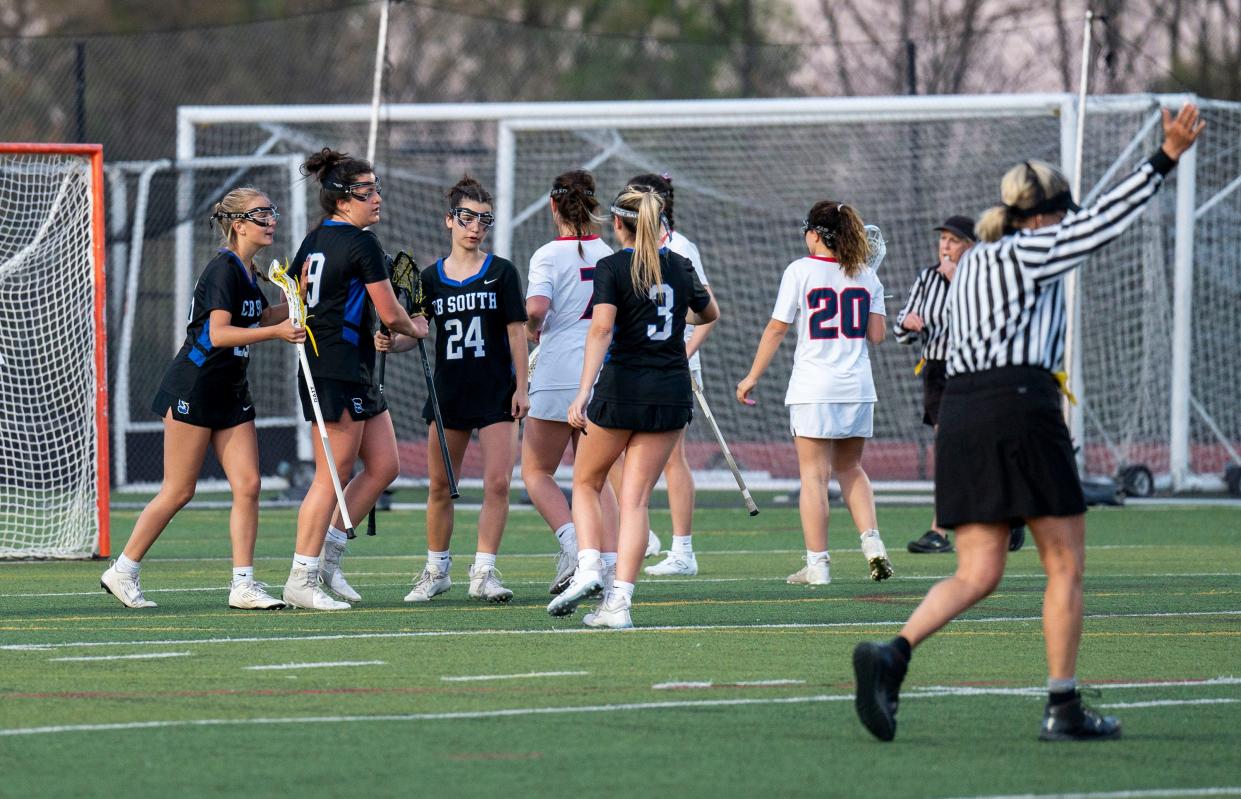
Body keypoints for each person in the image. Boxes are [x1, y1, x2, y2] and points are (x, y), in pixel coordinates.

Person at [851, 103, 1205, 743]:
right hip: (1020, 405)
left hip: (962, 413)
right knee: (1064, 565)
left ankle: (892, 654)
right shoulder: (1032, 248)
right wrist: (1166, 157)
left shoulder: (973, 263)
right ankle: (1062, 707)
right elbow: (1102, 225)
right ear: (1043, 215)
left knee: (978, 572)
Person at [100, 187, 303, 610]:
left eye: (272, 212)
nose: (271, 220)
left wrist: (292, 305)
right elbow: (218, 334)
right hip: (194, 387)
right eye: (260, 214)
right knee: (179, 490)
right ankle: (123, 569)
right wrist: (276, 332)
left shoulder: (249, 272)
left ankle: (243, 585)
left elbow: (258, 317)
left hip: (231, 392)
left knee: (248, 485)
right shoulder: (223, 270)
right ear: (238, 223)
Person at [549, 185, 718, 627]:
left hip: (622, 389)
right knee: (636, 499)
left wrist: (582, 392)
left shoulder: (612, 266)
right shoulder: (680, 266)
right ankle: (619, 604)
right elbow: (709, 312)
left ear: (618, 224)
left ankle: (588, 567)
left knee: (586, 481)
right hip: (670, 392)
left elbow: (601, 330)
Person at [282, 148, 422, 610]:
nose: (377, 198)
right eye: (367, 191)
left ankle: (328, 559)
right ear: (342, 199)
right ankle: (301, 577)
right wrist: (416, 325)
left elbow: (305, 297)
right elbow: (389, 312)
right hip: (335, 367)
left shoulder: (315, 237)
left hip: (351, 367)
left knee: (384, 466)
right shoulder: (361, 243)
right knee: (333, 475)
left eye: (377, 188)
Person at [380, 176, 529, 604]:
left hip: (497, 394)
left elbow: (517, 334)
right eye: (466, 217)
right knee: (439, 485)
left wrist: (523, 387)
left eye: (484, 219)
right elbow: (417, 332)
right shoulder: (430, 278)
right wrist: (395, 338)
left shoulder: (501, 273)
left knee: (498, 483)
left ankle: (483, 572)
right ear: (450, 221)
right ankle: (436, 570)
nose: (475, 227)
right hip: (448, 394)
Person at [736, 201, 894, 586]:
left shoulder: (800, 270)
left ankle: (818, 565)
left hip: (813, 388)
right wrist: (871, 289)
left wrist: (751, 376)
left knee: (814, 477)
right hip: (857, 388)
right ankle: (872, 544)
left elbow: (777, 329)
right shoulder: (867, 276)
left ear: (816, 234)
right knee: (851, 469)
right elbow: (877, 336)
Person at [521, 170, 620, 595]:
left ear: (553, 205)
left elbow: (538, 308)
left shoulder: (547, 254)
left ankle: (575, 545)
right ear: (594, 206)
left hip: (559, 372)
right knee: (596, 479)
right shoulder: (609, 252)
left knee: (536, 471)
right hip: (601, 374)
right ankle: (613, 569)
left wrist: (526, 328)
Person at [627, 172, 717, 578]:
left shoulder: (681, 249)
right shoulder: (631, 249)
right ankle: (641, 535)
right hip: (635, 366)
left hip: (671, 366)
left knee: (672, 459)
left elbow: (707, 314)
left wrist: (682, 354)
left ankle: (684, 550)